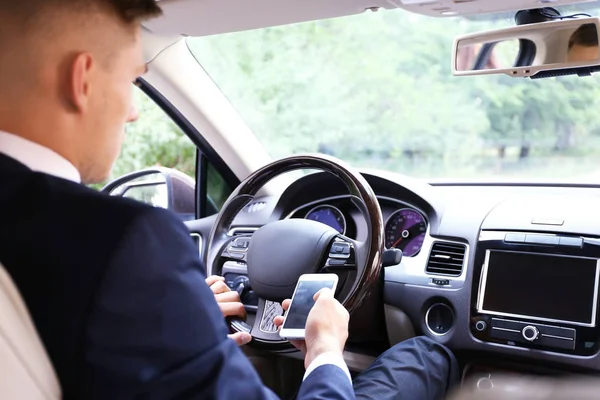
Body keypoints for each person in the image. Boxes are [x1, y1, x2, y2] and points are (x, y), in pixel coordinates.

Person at [0, 0, 457, 399]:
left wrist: (181, 319)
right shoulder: (126, 245)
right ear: (82, 80)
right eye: (132, 82)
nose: (134, 111)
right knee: (425, 355)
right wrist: (324, 352)